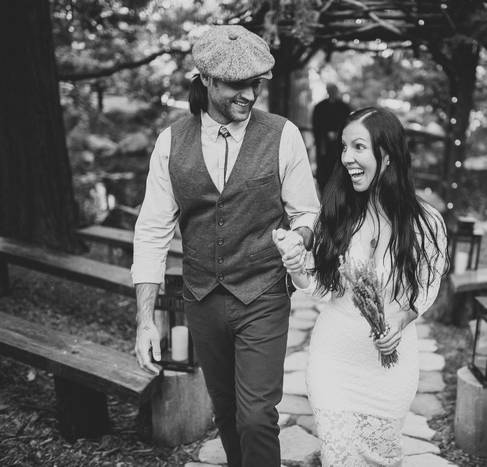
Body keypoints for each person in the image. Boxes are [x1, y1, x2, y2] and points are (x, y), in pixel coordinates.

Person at [131, 25, 320, 467]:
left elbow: (307, 212)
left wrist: (300, 237)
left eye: (255, 84)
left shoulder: (283, 134)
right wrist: (144, 319)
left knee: (256, 417)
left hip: (263, 295)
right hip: (201, 299)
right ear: (208, 80)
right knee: (228, 413)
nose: (250, 95)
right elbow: (152, 231)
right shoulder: (169, 144)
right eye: (238, 84)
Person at [273, 107, 449, 466]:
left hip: (389, 375)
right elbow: (321, 287)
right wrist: (296, 266)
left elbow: (425, 290)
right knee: (338, 459)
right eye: (344, 147)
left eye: (358, 147)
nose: (347, 158)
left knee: (382, 459)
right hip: (333, 362)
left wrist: (398, 321)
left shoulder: (425, 223)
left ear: (386, 156)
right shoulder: (337, 212)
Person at [312, 82, 352, 194]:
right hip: (324, 145)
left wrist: (338, 133)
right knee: (324, 171)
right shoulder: (320, 107)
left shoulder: (344, 108)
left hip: (339, 144)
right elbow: (317, 125)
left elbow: (347, 123)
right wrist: (326, 134)